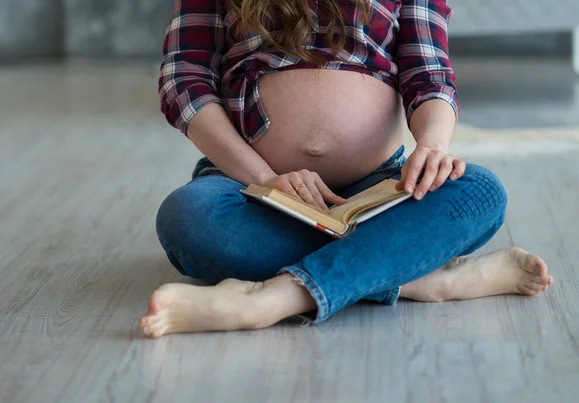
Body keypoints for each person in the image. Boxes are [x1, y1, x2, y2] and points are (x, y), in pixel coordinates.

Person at [139, 0, 553, 338]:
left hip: (378, 187)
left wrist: (432, 145)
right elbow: (185, 79)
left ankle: (271, 300)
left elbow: (429, 75)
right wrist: (264, 179)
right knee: (187, 219)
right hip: (250, 185)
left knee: (480, 193)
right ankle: (421, 277)